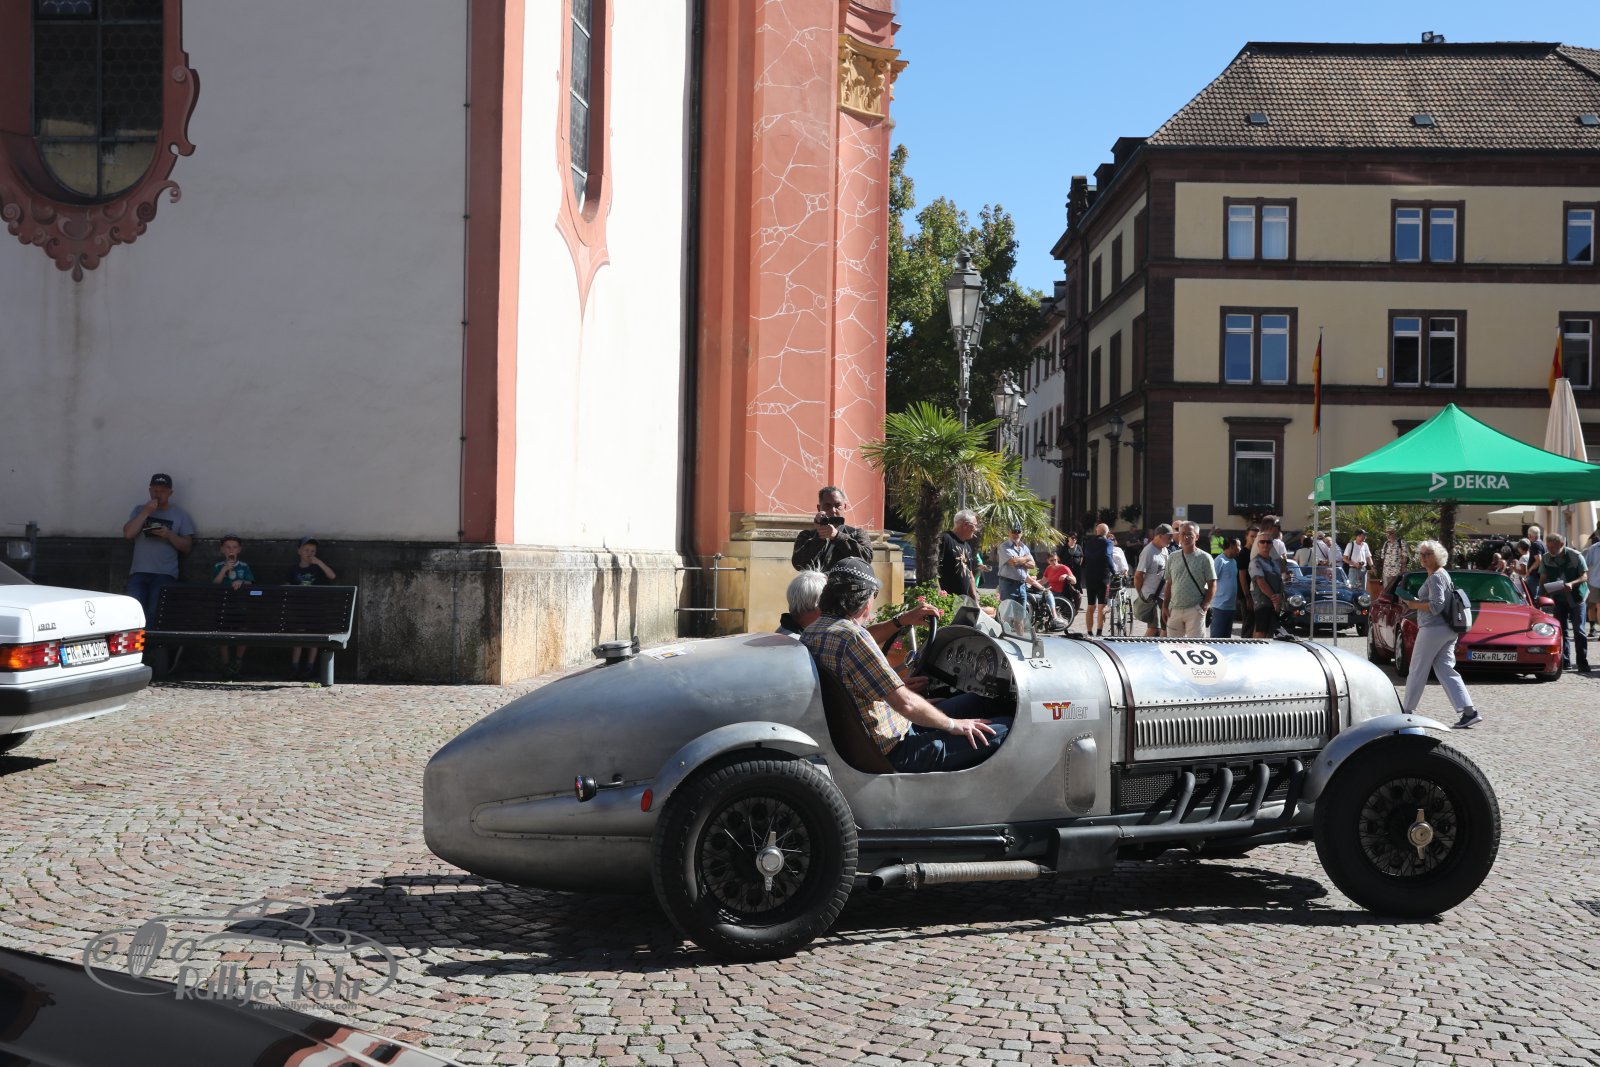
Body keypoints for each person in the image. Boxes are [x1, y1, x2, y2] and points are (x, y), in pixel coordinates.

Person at [800, 559, 1007, 773]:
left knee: (981, 701)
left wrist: (902, 620)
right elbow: (906, 704)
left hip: (882, 733)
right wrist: (954, 725)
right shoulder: (853, 638)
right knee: (1008, 729)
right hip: (896, 749)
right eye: (874, 595)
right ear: (865, 600)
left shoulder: (813, 631)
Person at [1400, 541, 1482, 729]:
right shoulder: (1441, 574)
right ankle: (1469, 712)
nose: (1423, 557)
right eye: (1421, 554)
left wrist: (1413, 604)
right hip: (1448, 629)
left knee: (1417, 669)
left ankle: (1406, 711)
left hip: (1433, 628)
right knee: (1445, 669)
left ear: (1437, 556)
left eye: (1427, 554)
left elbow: (1436, 606)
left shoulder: (1436, 577)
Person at [120, 472, 197, 622]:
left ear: (170, 493)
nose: (158, 494)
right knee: (133, 614)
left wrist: (169, 535)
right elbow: (128, 534)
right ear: (149, 491)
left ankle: (153, 638)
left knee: (155, 614)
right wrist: (145, 512)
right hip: (138, 572)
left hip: (165, 574)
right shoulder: (139, 510)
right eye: (155, 490)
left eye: (162, 491)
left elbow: (187, 546)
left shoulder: (180, 515)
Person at [1536, 532, 1590, 672]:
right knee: (1561, 630)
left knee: (1579, 630)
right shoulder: (1546, 558)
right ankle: (1565, 661)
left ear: (1561, 544)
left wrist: (1572, 583)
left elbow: (1584, 576)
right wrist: (1540, 597)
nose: (1550, 550)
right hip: (1559, 598)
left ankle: (1582, 662)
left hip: (1577, 597)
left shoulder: (1575, 556)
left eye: (1552, 547)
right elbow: (1543, 578)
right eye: (1548, 547)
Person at [288, 537, 338, 680]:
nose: (309, 553)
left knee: (314, 637)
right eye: (306, 550)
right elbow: (287, 585)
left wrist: (319, 562)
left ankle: (310, 666)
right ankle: (295, 666)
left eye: (313, 551)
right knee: (298, 636)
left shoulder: (317, 568)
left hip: (316, 608)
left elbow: (332, 576)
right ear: (299, 551)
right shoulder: (294, 569)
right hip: (299, 609)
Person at [791, 486, 874, 572]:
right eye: (827, 506)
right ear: (819, 508)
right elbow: (798, 564)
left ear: (845, 507)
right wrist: (819, 537)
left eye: (838, 506)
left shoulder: (857, 533)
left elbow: (867, 559)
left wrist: (837, 536)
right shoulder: (807, 535)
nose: (833, 510)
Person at [210, 534, 255, 676]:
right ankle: (225, 664)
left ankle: (237, 661)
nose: (231, 550)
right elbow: (214, 584)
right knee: (223, 634)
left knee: (243, 631)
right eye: (228, 547)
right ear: (222, 549)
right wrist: (224, 570)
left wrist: (241, 582)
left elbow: (250, 582)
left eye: (234, 547)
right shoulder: (218, 566)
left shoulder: (244, 566)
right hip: (224, 605)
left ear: (239, 550)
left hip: (240, 605)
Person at [1162, 521, 1215, 638]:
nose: (1186, 537)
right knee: (1173, 646)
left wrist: (1205, 605)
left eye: (1189, 534)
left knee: (1195, 645)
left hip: (1195, 609)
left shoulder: (1205, 558)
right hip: (1174, 610)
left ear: (1197, 536)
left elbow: (1212, 584)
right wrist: (1165, 606)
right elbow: (1169, 583)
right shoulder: (1172, 557)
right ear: (1179, 536)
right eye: (1183, 534)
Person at [1133, 524, 1173, 637]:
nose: (1171, 540)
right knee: (1154, 628)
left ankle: (1160, 646)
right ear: (1160, 536)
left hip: (1162, 595)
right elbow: (1138, 575)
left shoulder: (1164, 549)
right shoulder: (1148, 551)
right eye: (1169, 537)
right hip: (1152, 595)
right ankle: (1142, 647)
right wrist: (1142, 594)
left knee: (1164, 627)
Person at [936, 510, 981, 600]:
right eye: (975, 525)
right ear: (965, 525)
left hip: (963, 601)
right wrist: (939, 595)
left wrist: (975, 599)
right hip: (946, 601)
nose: (976, 529)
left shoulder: (967, 546)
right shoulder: (945, 539)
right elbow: (934, 569)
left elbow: (970, 575)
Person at [1248, 534, 1285, 638]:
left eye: (1268, 542)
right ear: (1258, 545)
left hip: (1275, 603)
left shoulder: (1275, 562)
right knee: (1261, 632)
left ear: (1272, 545)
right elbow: (1261, 583)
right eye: (1262, 542)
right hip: (1262, 602)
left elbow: (1280, 580)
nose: (1265, 544)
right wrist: (1275, 600)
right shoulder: (1255, 562)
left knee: (1272, 633)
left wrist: (1280, 596)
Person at [1080, 523, 1113, 636]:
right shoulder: (1108, 542)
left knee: (1090, 605)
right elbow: (1108, 556)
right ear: (1107, 533)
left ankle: (1089, 632)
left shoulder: (1089, 542)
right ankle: (1099, 632)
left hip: (1090, 576)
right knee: (1102, 606)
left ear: (1096, 531)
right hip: (1103, 577)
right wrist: (1114, 571)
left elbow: (1085, 559)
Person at [1209, 538, 1242, 638]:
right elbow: (1211, 581)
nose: (1240, 549)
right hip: (1220, 607)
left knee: (1226, 640)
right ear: (1231, 546)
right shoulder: (1219, 560)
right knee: (1217, 638)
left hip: (1230, 607)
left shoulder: (1234, 562)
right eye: (1238, 546)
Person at [996, 525, 1034, 610]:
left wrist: (1019, 561)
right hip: (1008, 585)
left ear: (1022, 533)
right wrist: (1027, 558)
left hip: (1022, 586)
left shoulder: (1024, 547)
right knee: (1007, 614)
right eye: (1013, 532)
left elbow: (1032, 565)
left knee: (1021, 614)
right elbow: (1013, 562)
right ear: (1009, 533)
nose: (1016, 534)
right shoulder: (1004, 546)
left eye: (1018, 532)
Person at [1042, 550, 1079, 618]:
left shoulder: (1064, 568)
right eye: (1051, 560)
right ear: (1048, 561)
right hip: (1050, 591)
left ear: (1058, 559)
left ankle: (1054, 617)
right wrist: (1032, 582)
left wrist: (1066, 576)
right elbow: (1043, 581)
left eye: (1055, 560)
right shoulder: (1048, 568)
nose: (1054, 562)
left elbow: (1074, 581)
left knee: (1045, 597)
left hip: (1060, 594)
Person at [1379, 526, 1410, 594]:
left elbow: (1405, 558)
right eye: (1387, 533)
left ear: (1395, 533)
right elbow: (1383, 558)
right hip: (1386, 572)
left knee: (1396, 592)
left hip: (1397, 573)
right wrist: (1382, 573)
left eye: (1390, 533)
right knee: (1387, 592)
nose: (1389, 535)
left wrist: (1402, 570)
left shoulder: (1401, 543)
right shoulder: (1386, 544)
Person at [1585, 531, 1600, 639]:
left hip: (1594, 581)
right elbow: (1586, 564)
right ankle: (1592, 628)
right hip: (1595, 581)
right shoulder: (1594, 548)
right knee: (1592, 605)